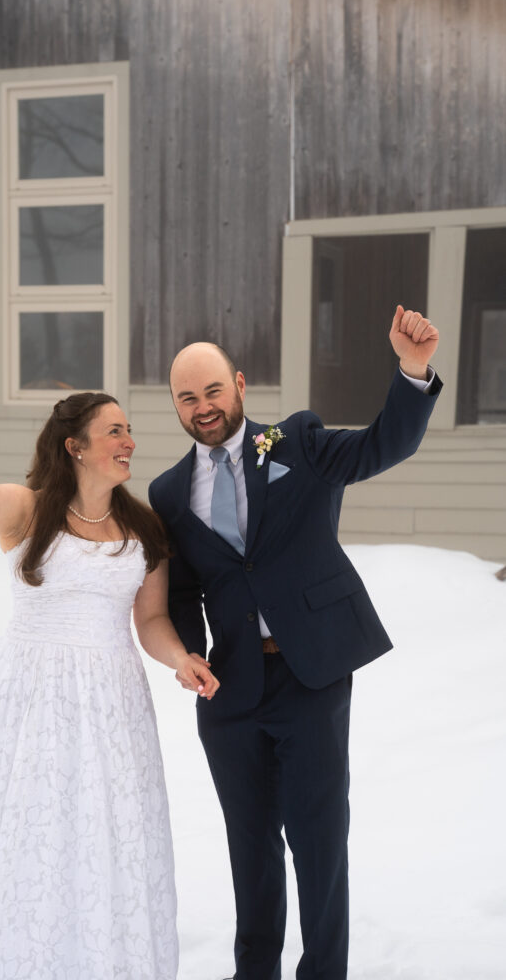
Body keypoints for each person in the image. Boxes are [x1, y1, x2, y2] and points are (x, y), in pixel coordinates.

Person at [148, 306, 442, 980]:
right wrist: (188, 653)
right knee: (248, 846)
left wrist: (412, 370)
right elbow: (187, 589)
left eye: (212, 391)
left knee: (316, 842)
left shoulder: (297, 443)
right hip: (229, 690)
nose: (202, 407)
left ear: (240, 386)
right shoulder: (167, 492)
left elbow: (381, 446)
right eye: (187, 397)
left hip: (310, 676)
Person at [0, 384, 219, 980]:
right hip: (24, 699)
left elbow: (149, 619)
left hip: (111, 707)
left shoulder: (143, 526)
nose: (129, 442)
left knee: (96, 841)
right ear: (75, 446)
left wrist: (180, 659)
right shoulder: (28, 510)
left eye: (128, 430)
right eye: (114, 431)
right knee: (22, 834)